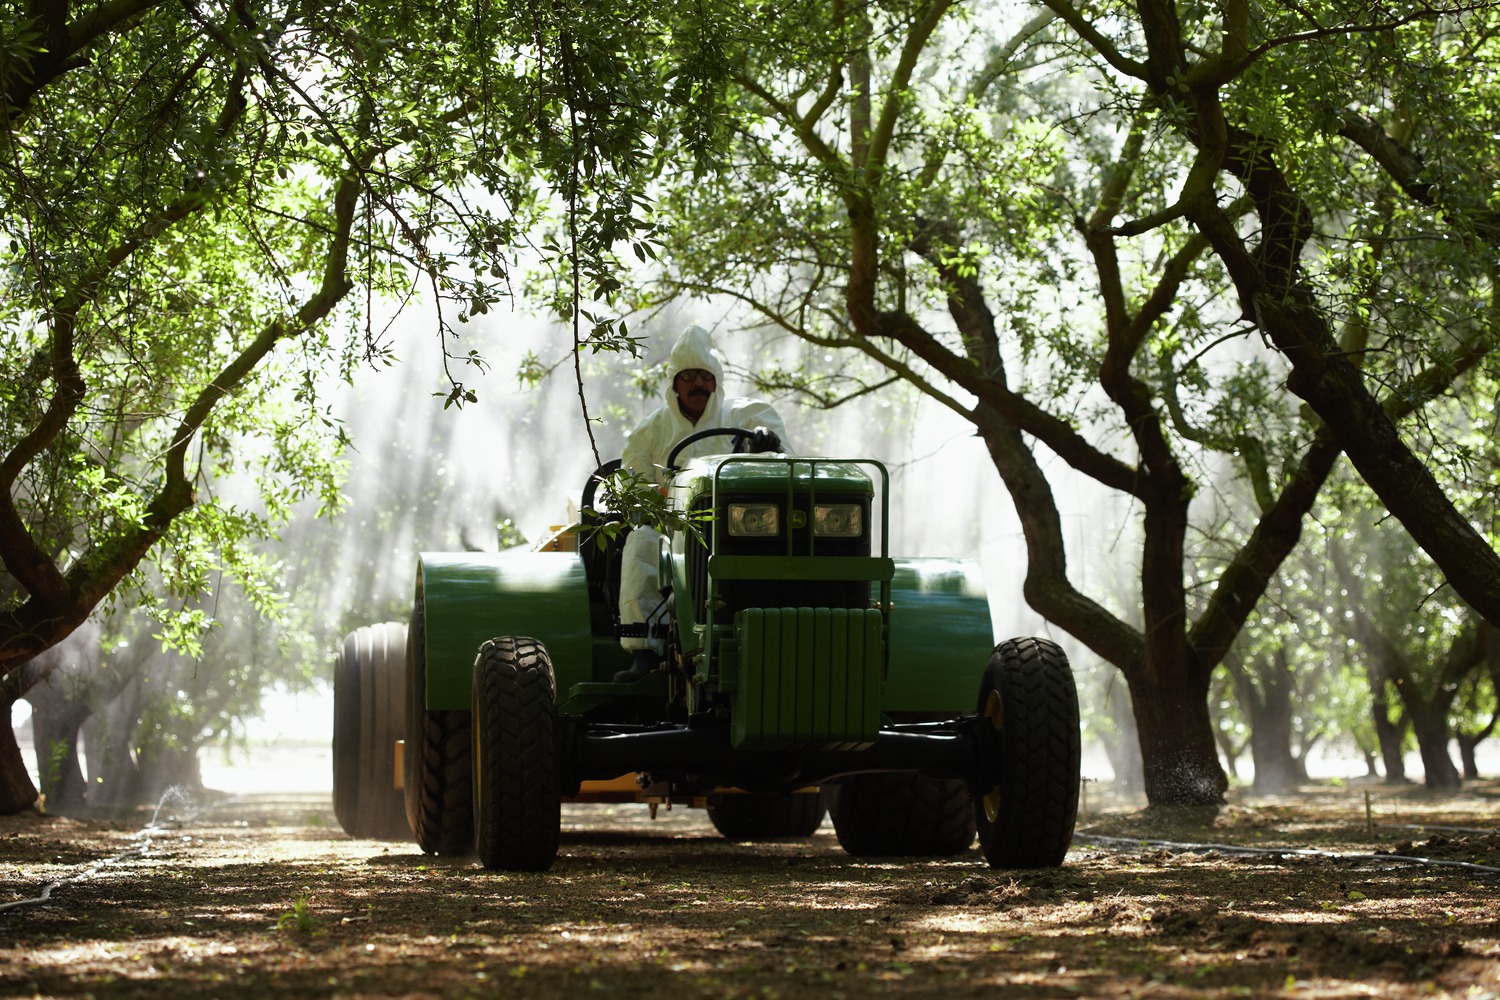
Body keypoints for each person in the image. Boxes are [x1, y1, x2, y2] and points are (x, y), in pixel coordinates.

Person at [612, 325, 791, 682]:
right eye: (689, 377)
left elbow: (782, 464)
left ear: (717, 382)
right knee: (642, 542)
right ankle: (646, 653)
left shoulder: (751, 415)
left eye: (705, 377)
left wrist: (769, 445)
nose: (698, 385)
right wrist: (661, 506)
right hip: (673, 529)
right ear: (674, 385)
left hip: (745, 527)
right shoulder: (649, 432)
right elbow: (634, 489)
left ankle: (783, 635)